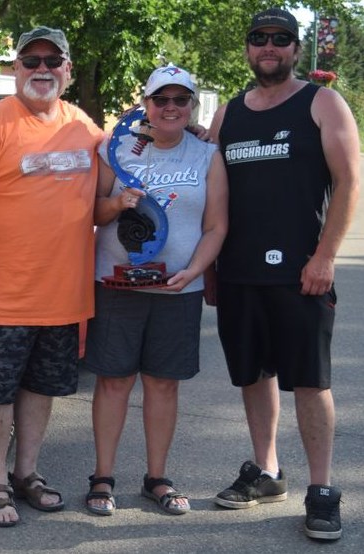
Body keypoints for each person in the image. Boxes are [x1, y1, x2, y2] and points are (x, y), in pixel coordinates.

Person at [207, 8, 360, 541]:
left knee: (311, 381)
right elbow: (211, 196)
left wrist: (325, 256)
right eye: (258, 39)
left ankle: (321, 490)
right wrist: (210, 269)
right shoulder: (229, 114)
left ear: (295, 49)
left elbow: (348, 182)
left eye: (279, 39)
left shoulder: (321, 102)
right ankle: (267, 471)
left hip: (302, 273)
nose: (268, 47)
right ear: (247, 48)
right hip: (239, 273)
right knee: (253, 374)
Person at [0, 26, 103, 527]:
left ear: (68, 69)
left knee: (40, 390)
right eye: (30, 61)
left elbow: (124, 171)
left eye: (51, 60)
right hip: (0, 294)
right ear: (15, 69)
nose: (41, 69)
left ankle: (27, 474)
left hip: (62, 296)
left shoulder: (85, 127)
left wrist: (191, 139)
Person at [83, 65, 228, 517]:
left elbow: (216, 225)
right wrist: (117, 202)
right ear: (146, 105)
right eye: (160, 99)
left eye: (180, 100)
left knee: (163, 385)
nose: (170, 108)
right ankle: (102, 477)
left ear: (191, 106)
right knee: (113, 382)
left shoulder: (207, 154)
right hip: (117, 283)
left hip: (178, 289)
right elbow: (95, 212)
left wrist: (195, 272)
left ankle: (157, 478)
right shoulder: (117, 148)